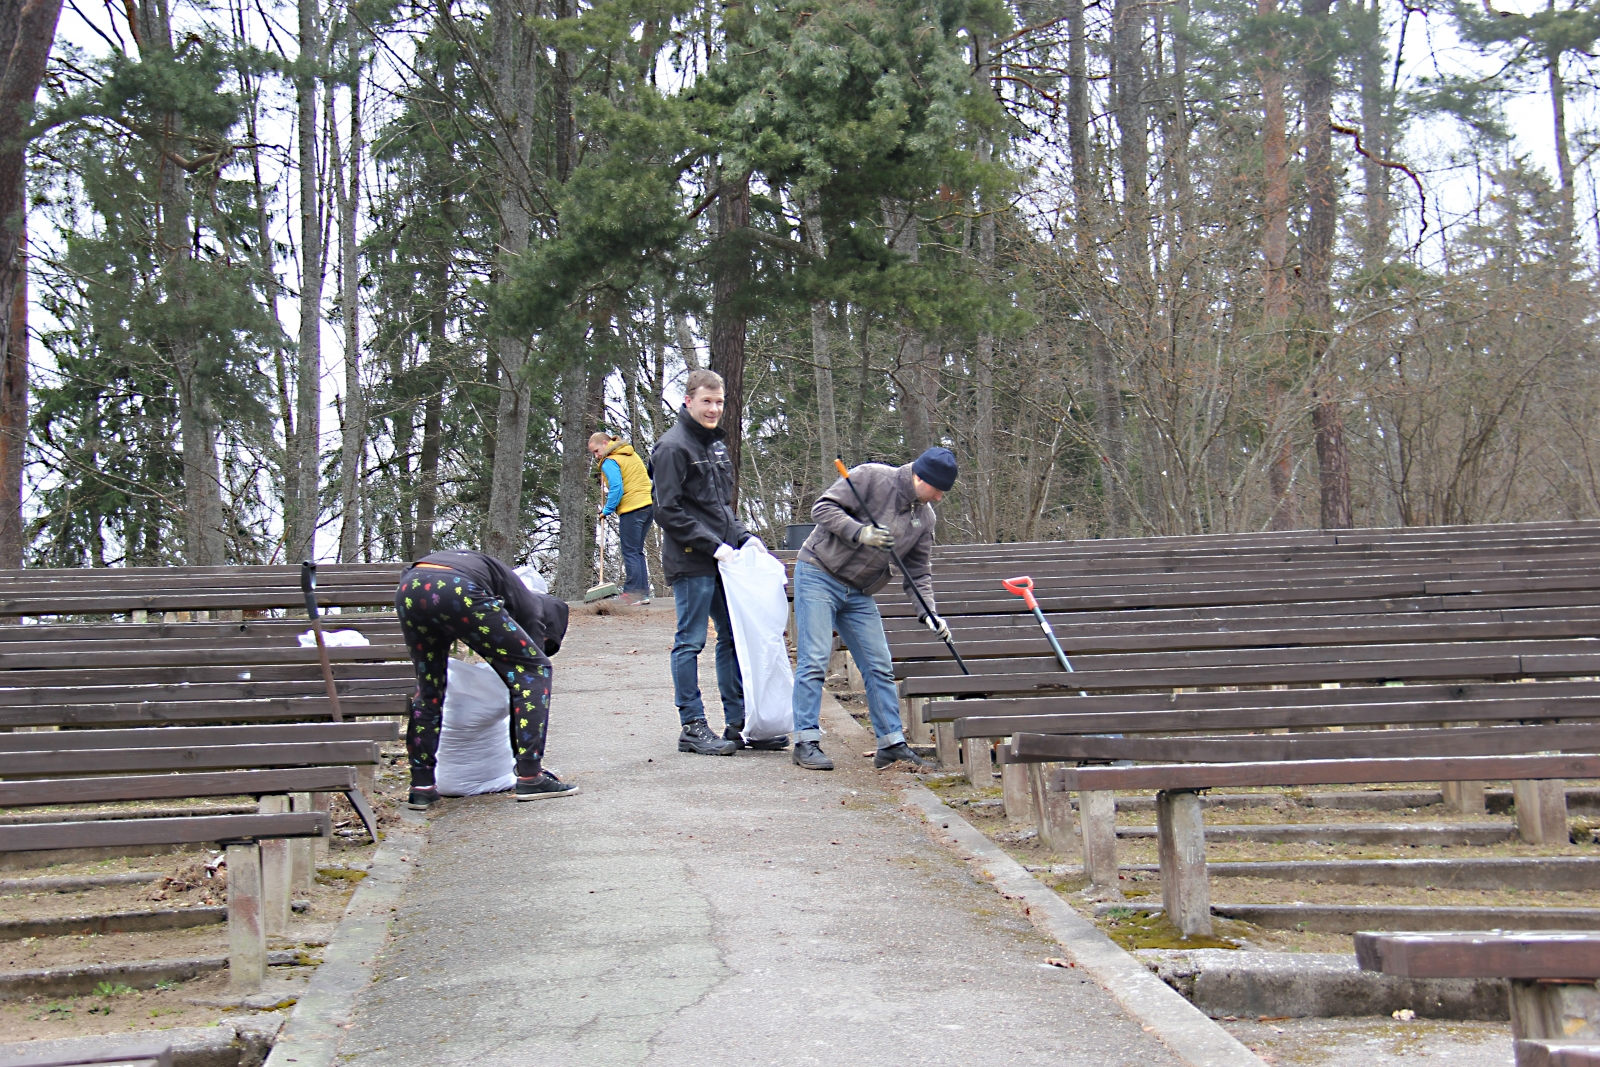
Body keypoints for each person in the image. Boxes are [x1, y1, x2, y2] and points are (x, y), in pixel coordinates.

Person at [788, 447, 959, 771]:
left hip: (860, 592)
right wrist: (860, 532)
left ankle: (891, 745)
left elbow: (919, 572)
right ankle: (805, 741)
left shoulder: (924, 518)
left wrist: (929, 613)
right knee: (814, 658)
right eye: (937, 490)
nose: (938, 498)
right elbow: (822, 508)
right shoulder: (871, 477)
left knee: (879, 664)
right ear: (920, 477)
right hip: (819, 573)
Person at [650, 368, 788, 756]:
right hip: (692, 559)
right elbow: (667, 511)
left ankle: (739, 723)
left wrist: (744, 536)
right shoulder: (673, 447)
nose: (713, 409)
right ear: (688, 401)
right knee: (690, 641)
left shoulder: (716, 445)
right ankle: (692, 725)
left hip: (724, 559)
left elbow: (718, 506)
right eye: (706, 401)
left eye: (719, 402)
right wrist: (713, 545)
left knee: (732, 636)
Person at [395, 549, 578, 808]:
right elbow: (526, 669)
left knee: (429, 688)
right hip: (457, 588)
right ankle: (531, 776)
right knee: (537, 671)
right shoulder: (534, 605)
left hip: (410, 587)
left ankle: (421, 785)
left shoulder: (500, 583)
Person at [588, 432, 655, 605]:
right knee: (637, 551)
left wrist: (607, 509)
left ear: (605, 443)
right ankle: (642, 594)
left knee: (630, 551)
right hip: (648, 505)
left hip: (632, 508)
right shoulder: (629, 453)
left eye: (596, 451)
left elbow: (617, 487)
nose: (596, 456)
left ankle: (632, 594)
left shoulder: (610, 461)